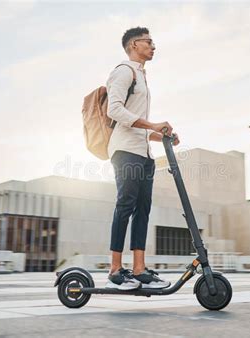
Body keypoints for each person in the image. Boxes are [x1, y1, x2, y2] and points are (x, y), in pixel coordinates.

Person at [105, 27, 180, 290]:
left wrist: (162, 135)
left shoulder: (141, 76)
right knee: (125, 205)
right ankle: (115, 268)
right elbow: (114, 110)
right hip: (125, 151)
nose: (153, 46)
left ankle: (138, 268)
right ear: (134, 44)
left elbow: (138, 127)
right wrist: (153, 125)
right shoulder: (124, 71)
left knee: (143, 209)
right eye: (149, 42)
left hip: (143, 153)